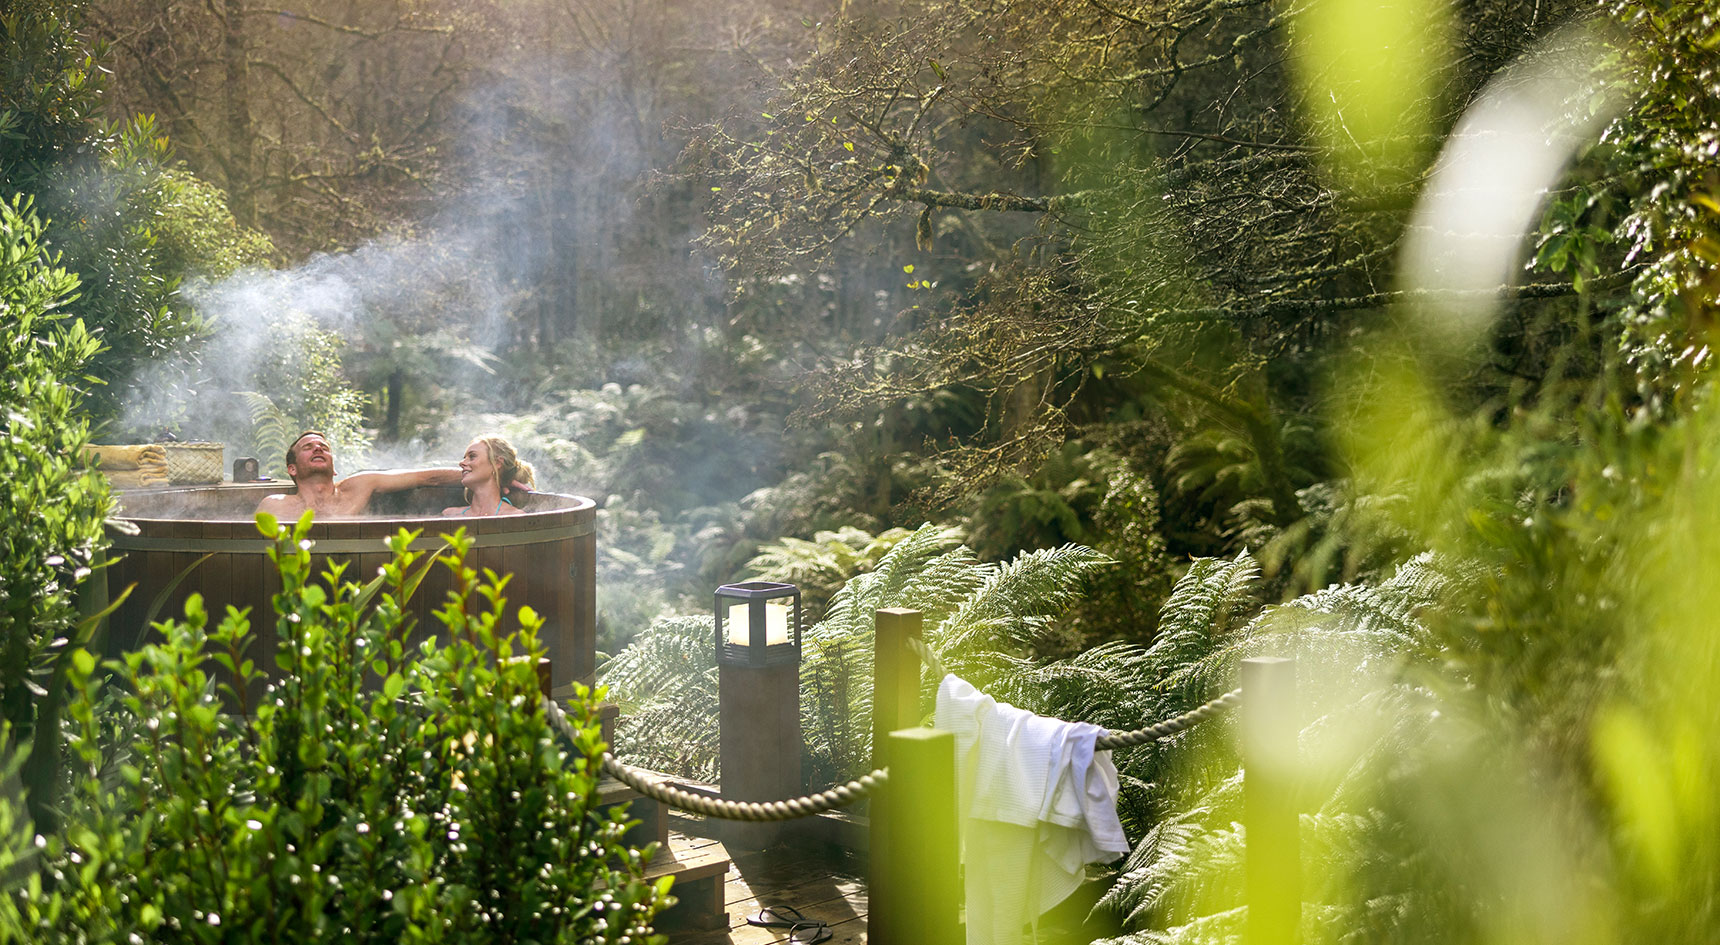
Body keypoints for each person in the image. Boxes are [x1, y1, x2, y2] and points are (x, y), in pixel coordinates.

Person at [255, 431, 462, 519]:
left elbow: (426, 477)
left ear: (334, 468)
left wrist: (484, 473)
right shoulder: (274, 505)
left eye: (324, 447)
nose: (318, 449)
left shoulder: (358, 487)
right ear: (292, 469)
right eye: (308, 447)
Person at [442, 435, 535, 517]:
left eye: (472, 456)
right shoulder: (450, 514)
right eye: (464, 458)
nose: (461, 463)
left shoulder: (515, 517)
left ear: (497, 463)